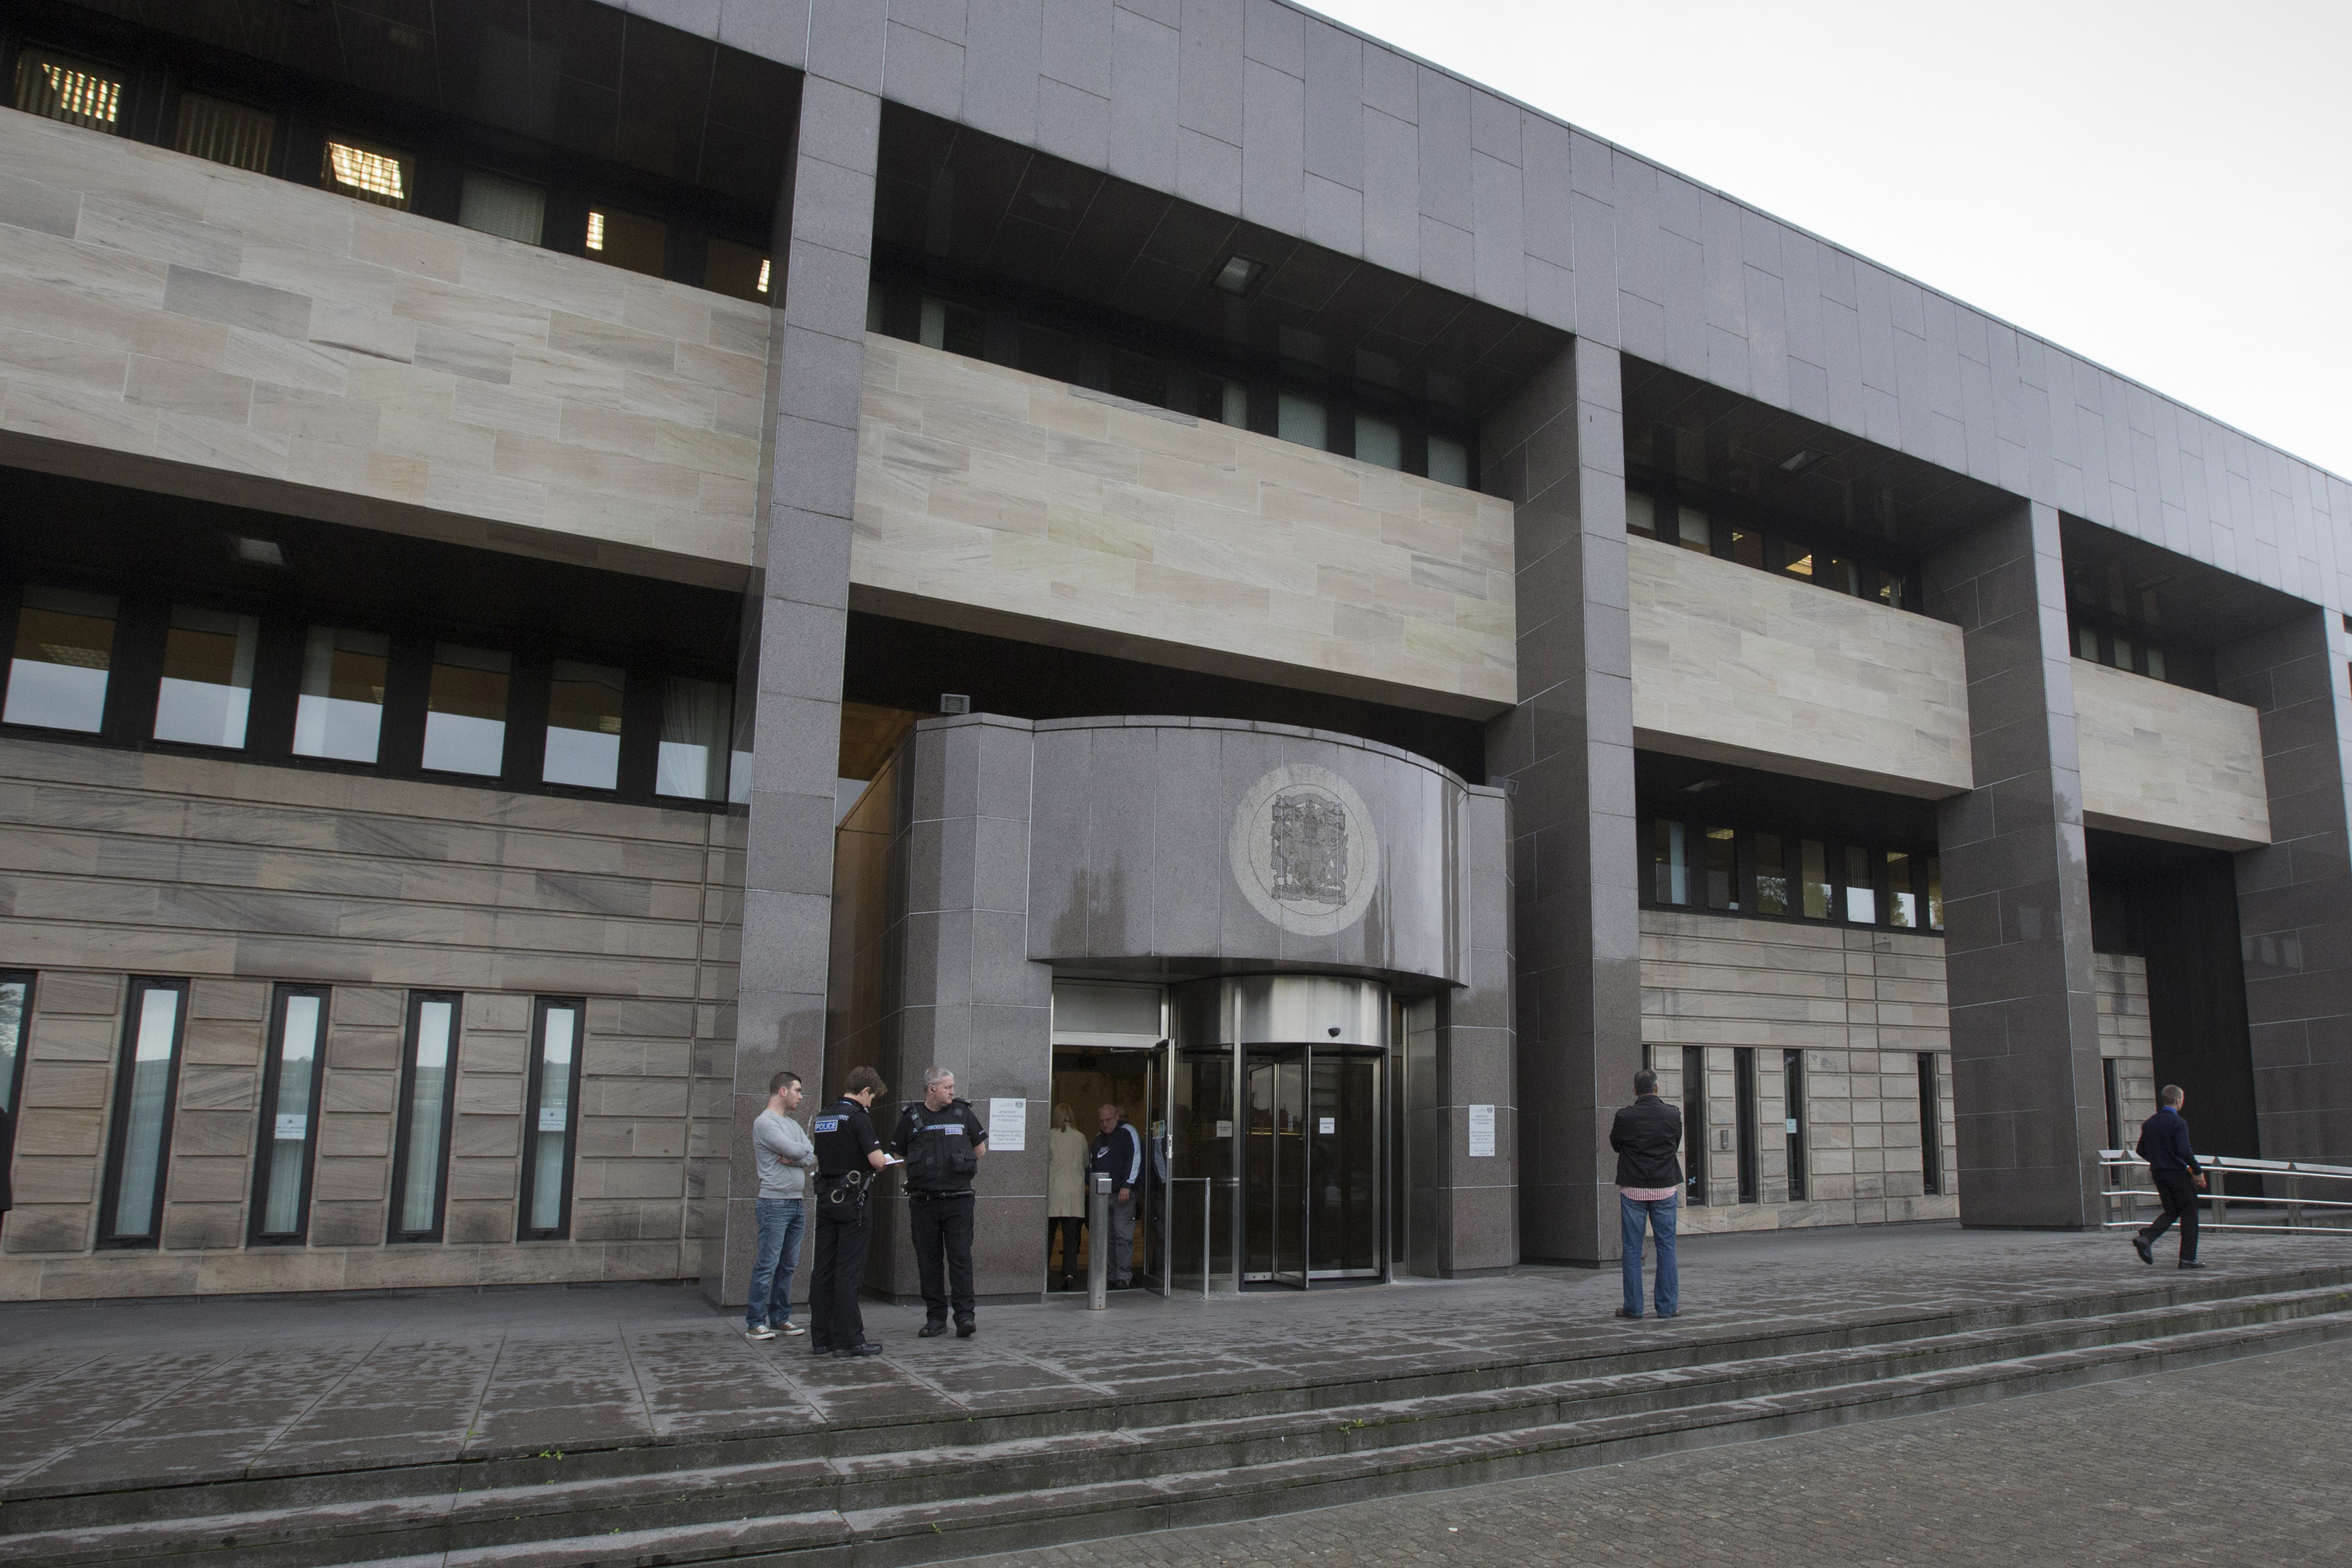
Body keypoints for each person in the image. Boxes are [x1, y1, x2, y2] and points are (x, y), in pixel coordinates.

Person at [892, 1066, 989, 1338]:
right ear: (931, 1088)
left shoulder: (962, 1113)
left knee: (960, 1259)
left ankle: (965, 1317)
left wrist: (953, 1170)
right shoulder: (911, 1117)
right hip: (924, 1201)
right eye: (947, 1087)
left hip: (958, 1201)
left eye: (953, 1087)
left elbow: (980, 1149)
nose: (953, 1092)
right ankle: (935, 1319)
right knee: (929, 1261)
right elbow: (898, 1157)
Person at [810, 1066, 894, 1359]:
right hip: (852, 1200)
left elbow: (820, 1157)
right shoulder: (857, 1117)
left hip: (825, 1198)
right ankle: (849, 1340)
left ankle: (821, 1338)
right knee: (848, 1271)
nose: (871, 1103)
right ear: (865, 1091)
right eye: (872, 1097)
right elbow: (876, 1161)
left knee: (823, 1269)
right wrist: (883, 1161)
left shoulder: (823, 1116)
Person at [745, 1070, 816, 1341]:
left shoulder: (793, 1124)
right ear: (783, 1091)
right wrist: (797, 1154)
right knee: (768, 1264)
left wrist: (795, 1156)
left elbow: (810, 1154)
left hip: (796, 1202)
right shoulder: (765, 1123)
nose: (801, 1096)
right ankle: (755, 1321)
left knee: (788, 1265)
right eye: (797, 1090)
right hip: (774, 1202)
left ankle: (780, 1317)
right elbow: (800, 1151)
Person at [1609, 1067, 1683, 1319]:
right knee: (1667, 1247)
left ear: (1634, 1091)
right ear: (1657, 1088)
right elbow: (1676, 1143)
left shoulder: (1624, 1117)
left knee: (1631, 1249)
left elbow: (1616, 1145)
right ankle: (1667, 1307)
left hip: (1634, 1190)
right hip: (1664, 1188)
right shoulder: (1673, 1114)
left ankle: (1633, 1307)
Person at [2133, 1084, 2208, 1270]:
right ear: (2177, 1101)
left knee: (2172, 1211)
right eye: (2182, 1099)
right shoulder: (2178, 1123)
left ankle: (2146, 1238)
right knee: (2190, 1212)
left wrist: (2159, 1160)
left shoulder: (2150, 1123)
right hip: (2176, 1173)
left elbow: (2140, 1149)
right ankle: (2188, 1259)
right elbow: (2184, 1150)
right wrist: (2197, 1171)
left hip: (2158, 1173)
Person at [1089, 1102, 1144, 1290]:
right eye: (1101, 1121)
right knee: (1107, 1237)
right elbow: (1092, 1165)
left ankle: (1123, 1275)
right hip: (1103, 1195)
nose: (1105, 1124)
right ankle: (1110, 1274)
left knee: (1122, 1235)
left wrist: (1127, 1186)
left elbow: (1135, 1158)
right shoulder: (1098, 1140)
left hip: (1123, 1194)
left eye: (1108, 1120)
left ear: (1116, 1117)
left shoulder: (1128, 1132)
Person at [1047, 1102, 1087, 1291]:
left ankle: (1043, 1274)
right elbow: (1086, 1162)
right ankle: (1069, 1275)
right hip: (1074, 1194)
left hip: (1053, 1193)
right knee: (1071, 1239)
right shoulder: (1080, 1138)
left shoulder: (1049, 1136)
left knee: (1048, 1237)